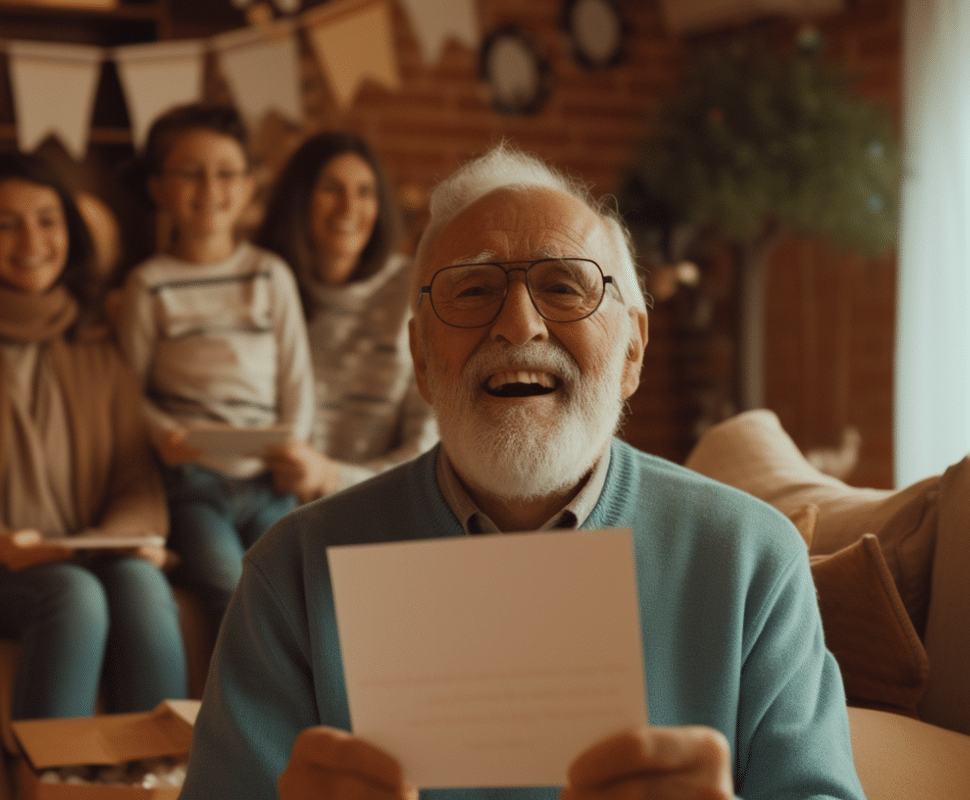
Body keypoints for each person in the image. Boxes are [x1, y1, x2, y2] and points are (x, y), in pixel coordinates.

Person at [179, 144, 865, 799]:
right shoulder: (294, 573)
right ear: (420, 357)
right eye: (472, 289)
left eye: (564, 285)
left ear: (632, 348)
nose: (518, 323)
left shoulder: (753, 560)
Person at [0, 151, 188, 720]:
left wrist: (119, 536)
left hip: (85, 552)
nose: (32, 238)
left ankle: (163, 776)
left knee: (140, 583)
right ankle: (54, 784)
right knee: (71, 594)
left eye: (48, 220)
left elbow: (136, 482)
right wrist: (2, 542)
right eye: (7, 222)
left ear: (69, 234)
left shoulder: (103, 348)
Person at [112, 104, 314, 634]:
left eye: (227, 173)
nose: (210, 187)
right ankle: (242, 712)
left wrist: (294, 441)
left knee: (300, 583)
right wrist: (164, 434)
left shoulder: (270, 275)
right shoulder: (149, 284)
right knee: (229, 588)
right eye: (191, 173)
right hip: (193, 482)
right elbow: (125, 391)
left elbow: (297, 378)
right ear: (158, 188)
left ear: (248, 187)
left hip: (269, 478)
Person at [256, 132, 438, 502]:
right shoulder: (264, 288)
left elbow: (428, 458)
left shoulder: (416, 291)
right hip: (265, 507)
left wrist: (331, 476)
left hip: (379, 514)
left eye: (365, 192)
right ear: (299, 199)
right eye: (330, 188)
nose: (349, 207)